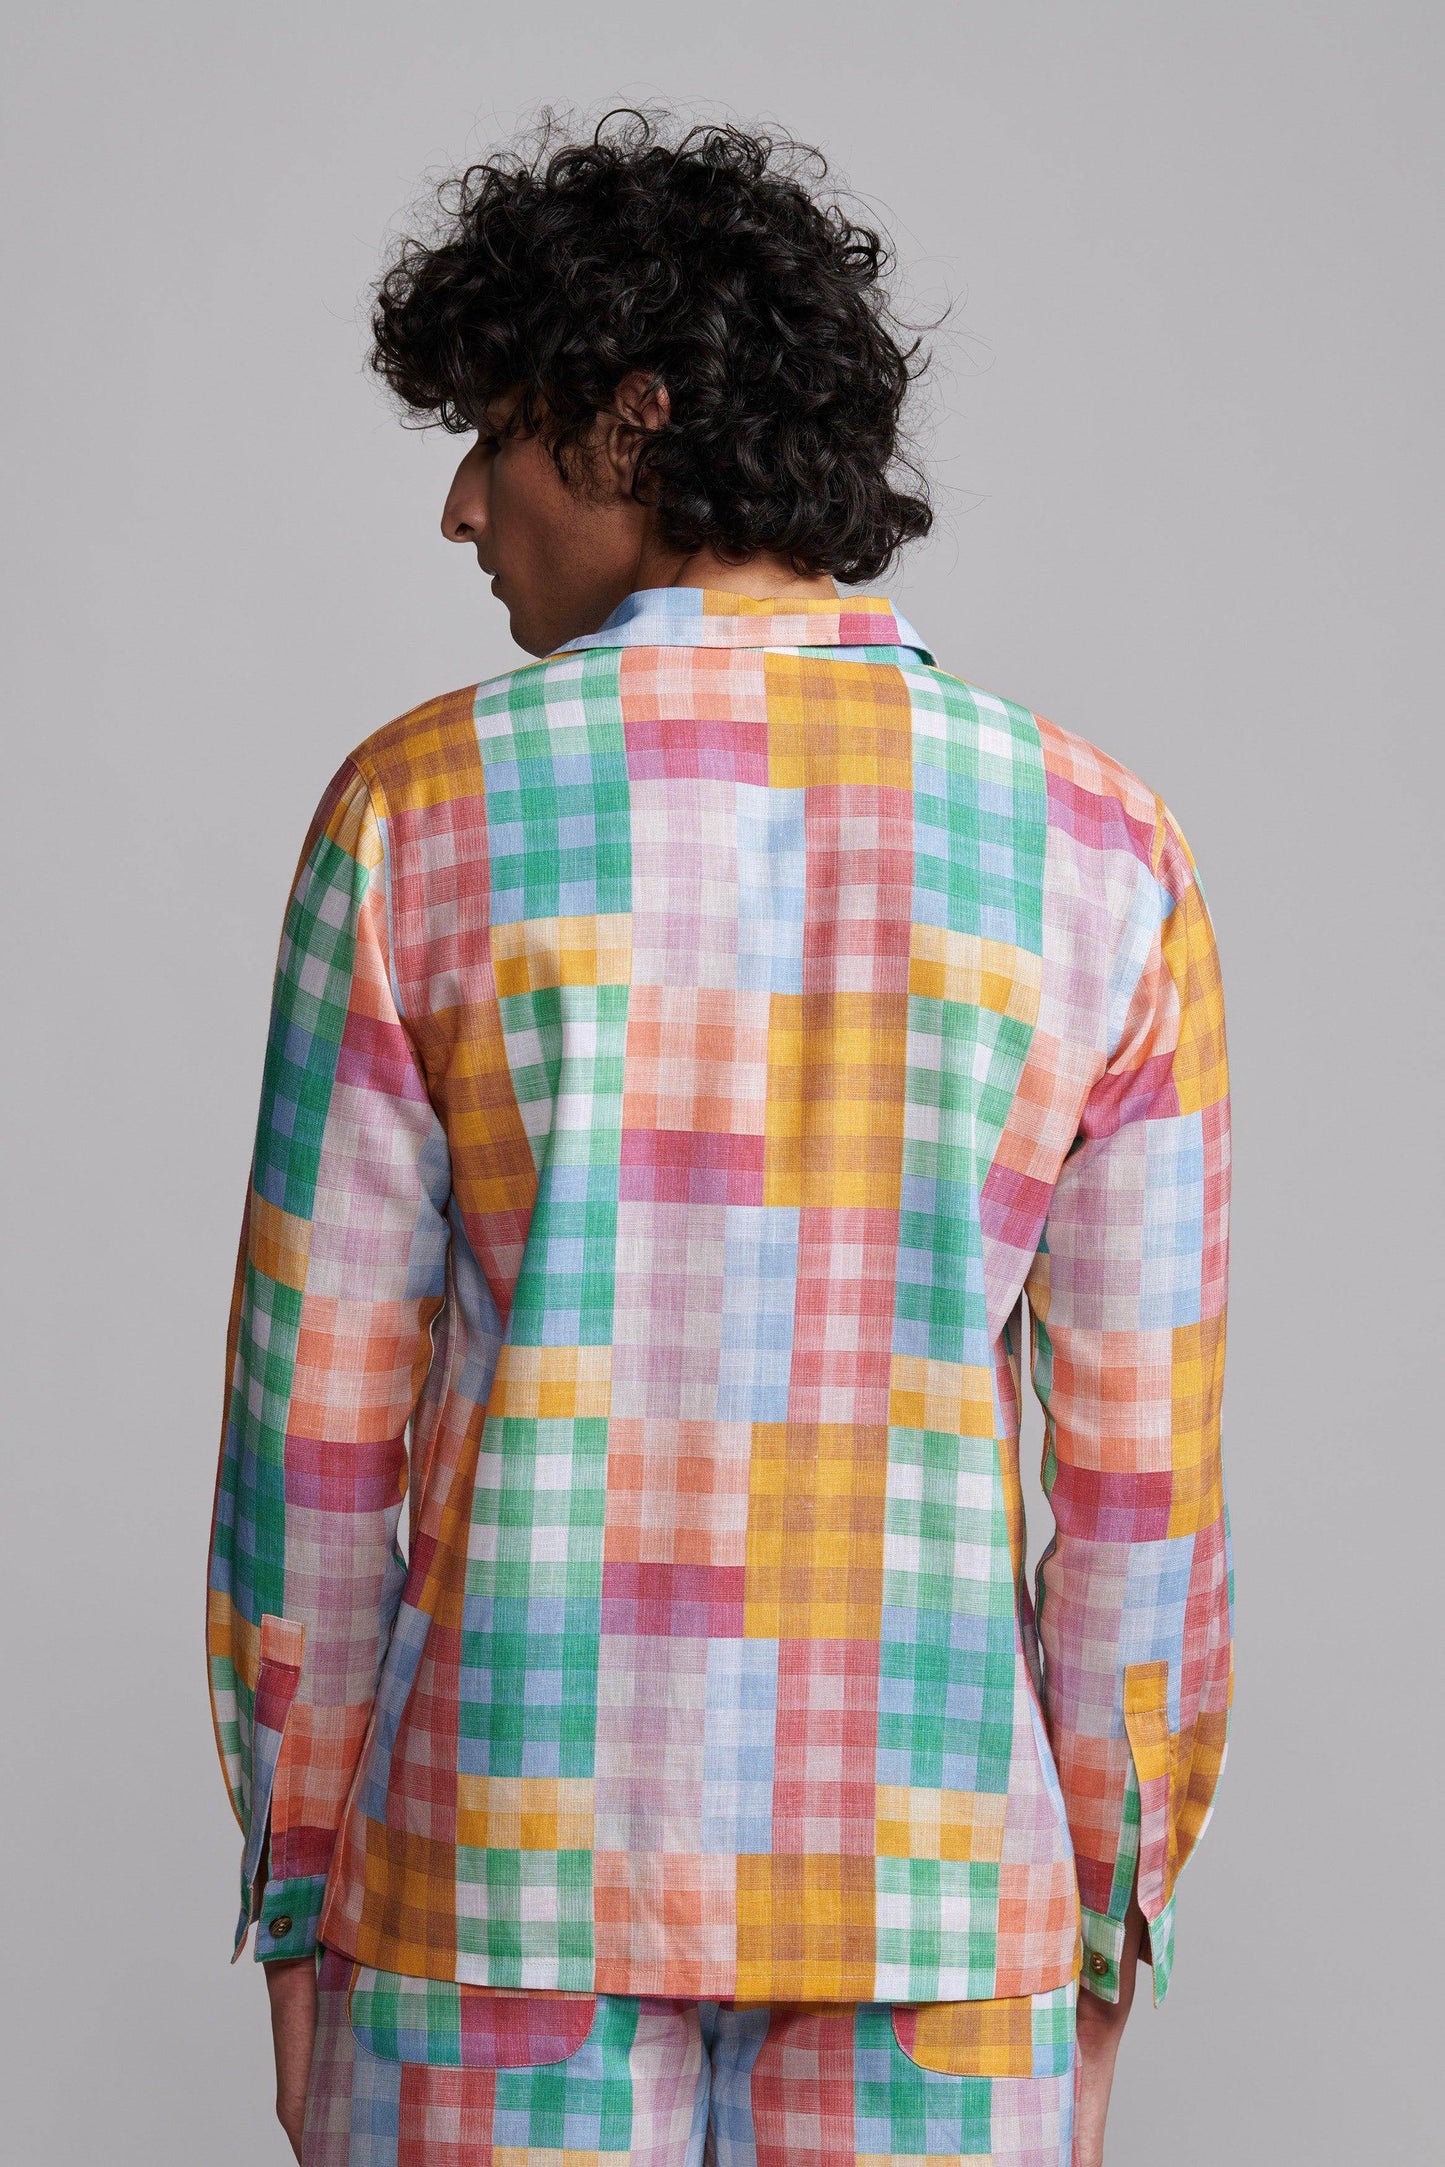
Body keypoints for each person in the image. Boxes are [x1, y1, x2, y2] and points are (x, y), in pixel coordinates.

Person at [206, 115, 1232, 2167]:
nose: (461, 503)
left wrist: (299, 1891)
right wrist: (1106, 1919)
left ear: (633, 417)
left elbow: (310, 1447)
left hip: (493, 1882)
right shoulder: (1104, 848)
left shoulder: (415, 816)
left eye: (493, 428)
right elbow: (1141, 1490)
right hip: (938, 1901)